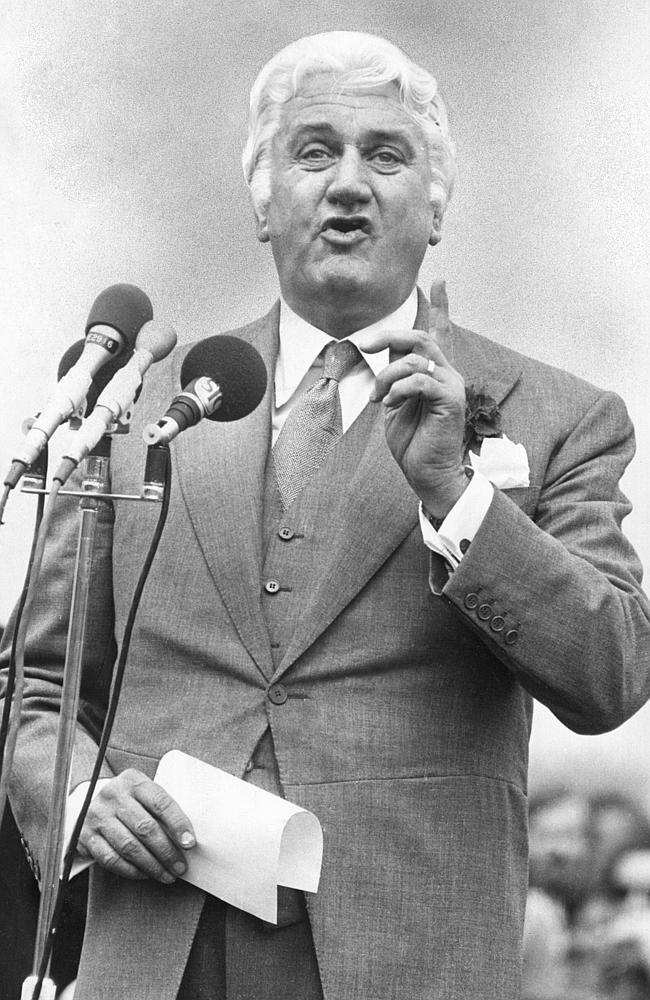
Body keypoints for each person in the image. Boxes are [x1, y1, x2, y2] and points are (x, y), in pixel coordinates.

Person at [2, 29, 650, 1000]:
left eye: (385, 155)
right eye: (313, 151)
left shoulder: (558, 415)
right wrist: (78, 797)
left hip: (402, 957)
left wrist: (456, 497)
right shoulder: (140, 404)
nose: (348, 182)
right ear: (262, 202)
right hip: (152, 950)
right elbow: (37, 689)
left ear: (435, 207)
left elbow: (609, 676)